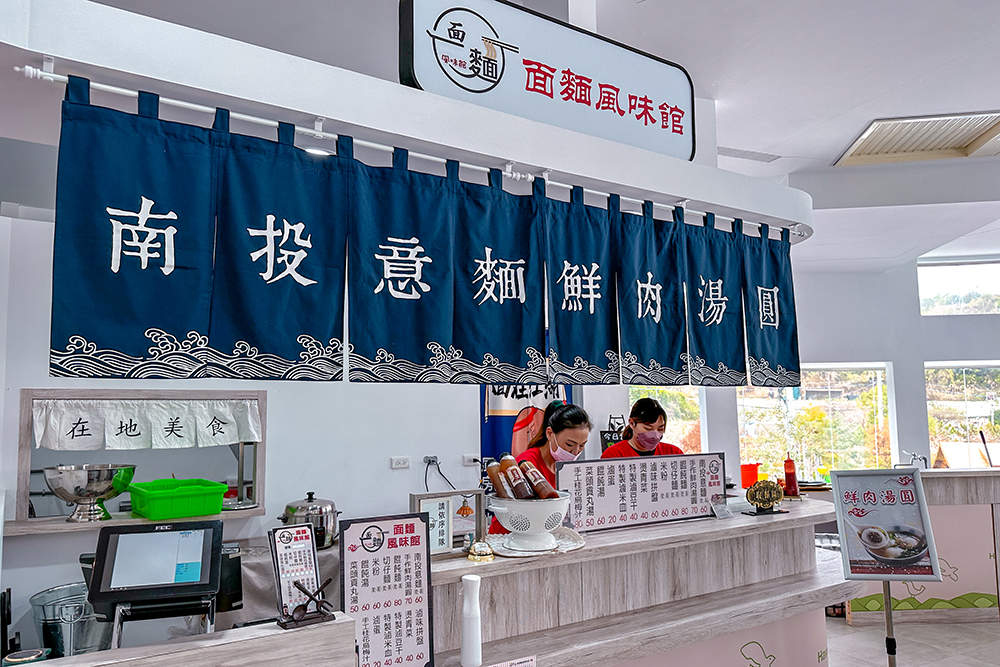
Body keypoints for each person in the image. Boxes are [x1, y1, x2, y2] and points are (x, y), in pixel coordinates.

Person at [488, 400, 592, 534]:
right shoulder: (525, 464)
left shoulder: (568, 468)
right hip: (511, 535)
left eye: (582, 445)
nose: (576, 451)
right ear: (550, 434)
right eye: (570, 444)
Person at [601, 397, 683, 458]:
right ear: (632, 423)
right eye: (648, 428)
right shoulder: (613, 455)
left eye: (660, 429)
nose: (655, 434)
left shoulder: (674, 453)